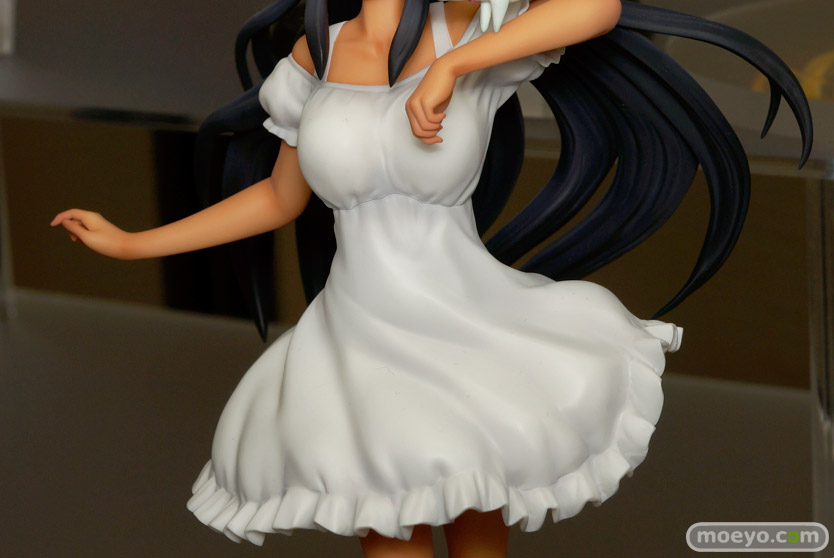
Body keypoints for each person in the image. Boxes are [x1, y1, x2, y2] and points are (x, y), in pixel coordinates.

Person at [51, 0, 811, 556]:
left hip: (468, 326)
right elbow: (280, 198)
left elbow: (595, 8)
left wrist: (453, 65)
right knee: (391, 524)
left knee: (477, 516)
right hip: (358, 342)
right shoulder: (317, 55)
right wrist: (135, 244)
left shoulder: (472, 29)